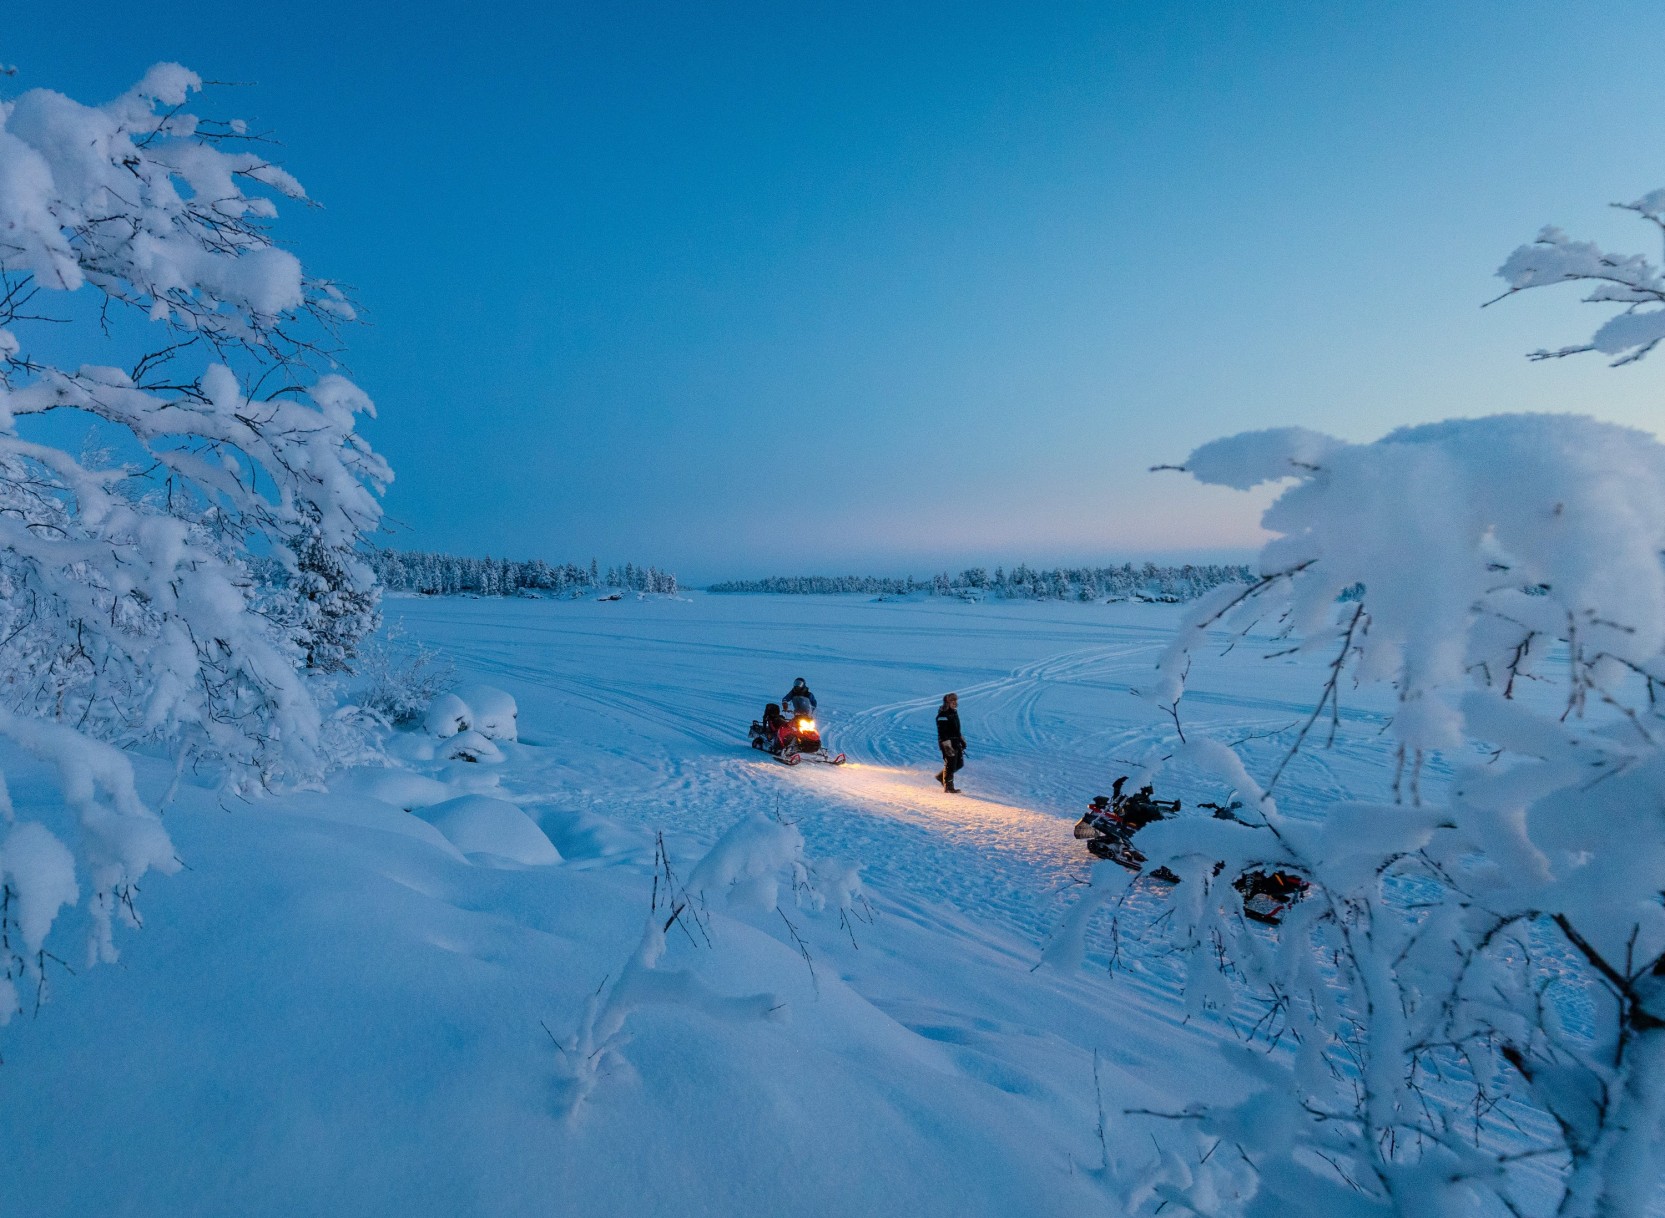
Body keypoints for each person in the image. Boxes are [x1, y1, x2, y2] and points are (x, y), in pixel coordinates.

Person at [934, 692, 965, 793]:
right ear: (947, 702)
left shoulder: (953, 712)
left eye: (955, 700)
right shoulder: (943, 715)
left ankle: (941, 777)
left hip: (955, 741)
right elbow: (942, 732)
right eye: (952, 701)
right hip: (947, 742)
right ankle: (948, 787)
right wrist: (947, 746)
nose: (955, 703)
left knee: (959, 764)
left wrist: (961, 740)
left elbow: (956, 729)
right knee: (951, 764)